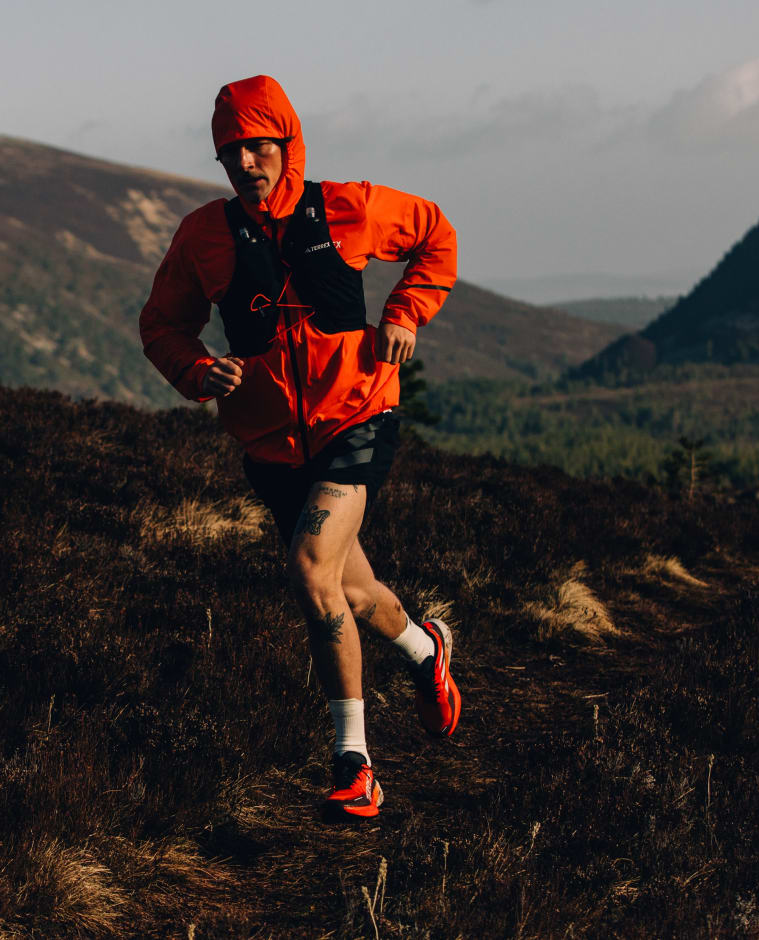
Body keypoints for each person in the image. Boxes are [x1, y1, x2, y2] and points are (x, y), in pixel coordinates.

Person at [140, 75, 460, 820]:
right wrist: (197, 370)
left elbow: (436, 236)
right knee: (349, 590)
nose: (248, 162)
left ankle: (355, 763)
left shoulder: (350, 207)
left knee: (312, 571)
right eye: (232, 152)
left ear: (287, 143)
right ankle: (426, 653)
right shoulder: (204, 236)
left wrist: (407, 311)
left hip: (359, 416)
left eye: (260, 146)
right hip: (273, 444)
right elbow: (162, 326)